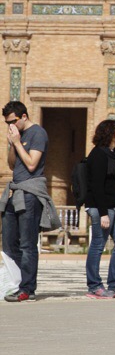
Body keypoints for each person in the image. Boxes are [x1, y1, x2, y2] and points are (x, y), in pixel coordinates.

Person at [0, 101, 55, 302]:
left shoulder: (38, 133)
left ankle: (27, 288)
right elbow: (12, 164)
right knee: (8, 242)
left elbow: (32, 164)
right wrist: (13, 143)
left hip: (30, 194)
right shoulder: (17, 135)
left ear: (24, 116)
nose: (10, 126)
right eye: (7, 123)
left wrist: (16, 142)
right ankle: (15, 283)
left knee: (27, 243)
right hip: (14, 191)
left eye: (13, 121)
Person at [83, 119, 115, 299]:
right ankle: (94, 286)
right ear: (109, 133)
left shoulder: (113, 153)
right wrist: (103, 213)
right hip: (100, 207)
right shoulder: (98, 155)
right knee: (98, 245)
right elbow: (97, 186)